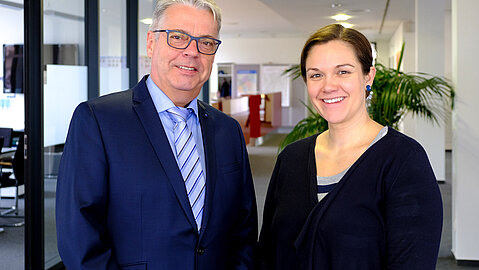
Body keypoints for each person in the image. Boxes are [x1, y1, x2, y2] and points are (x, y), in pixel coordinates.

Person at [56, 0, 257, 269]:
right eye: (178, 37)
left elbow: (243, 227)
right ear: (151, 43)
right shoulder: (98, 120)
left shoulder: (228, 130)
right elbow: (79, 237)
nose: (192, 52)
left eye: (206, 42)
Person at [255, 24, 443, 270]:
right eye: (316, 74)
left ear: (368, 77)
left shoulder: (403, 159)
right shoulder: (292, 158)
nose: (328, 86)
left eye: (343, 72)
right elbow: (267, 253)